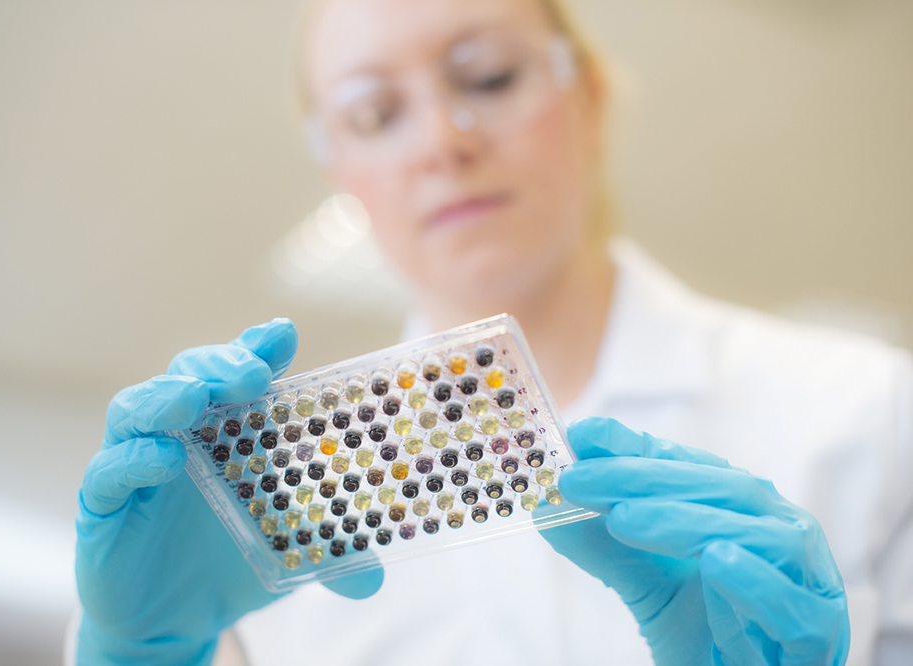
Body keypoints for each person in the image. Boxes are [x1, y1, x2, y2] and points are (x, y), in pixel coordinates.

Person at [72, 0, 913, 664]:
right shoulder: (271, 513)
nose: (442, 140)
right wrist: (139, 655)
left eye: (490, 77)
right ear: (341, 169)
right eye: (376, 114)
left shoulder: (868, 414)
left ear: (587, 97)